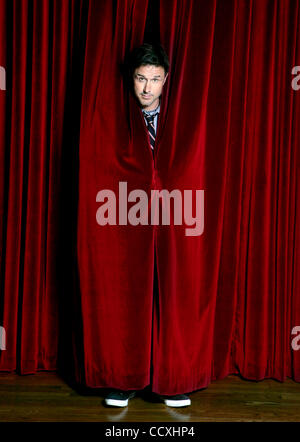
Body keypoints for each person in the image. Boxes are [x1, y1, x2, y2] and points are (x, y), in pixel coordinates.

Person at [104, 43, 191, 408]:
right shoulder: (114, 121)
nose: (147, 88)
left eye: (155, 79)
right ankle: (123, 380)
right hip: (124, 218)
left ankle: (169, 379)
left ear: (166, 81)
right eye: (141, 78)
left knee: (168, 296)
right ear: (132, 79)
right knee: (127, 297)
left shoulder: (179, 121)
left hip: (173, 219)